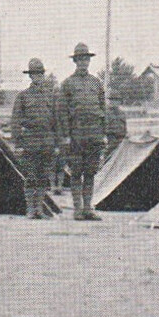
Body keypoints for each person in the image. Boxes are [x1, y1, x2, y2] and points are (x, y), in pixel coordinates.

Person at [60, 42, 107, 221]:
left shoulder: (96, 83)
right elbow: (62, 113)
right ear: (75, 61)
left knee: (90, 172)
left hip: (94, 134)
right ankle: (77, 209)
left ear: (89, 61)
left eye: (86, 59)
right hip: (76, 135)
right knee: (76, 172)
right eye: (80, 60)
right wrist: (65, 136)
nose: (83, 63)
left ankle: (88, 208)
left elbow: (103, 109)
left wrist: (103, 133)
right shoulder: (67, 84)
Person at [11, 58, 63, 218]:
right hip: (30, 141)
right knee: (30, 176)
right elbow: (16, 121)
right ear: (30, 76)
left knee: (43, 176)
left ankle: (39, 209)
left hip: (47, 141)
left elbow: (57, 121)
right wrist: (18, 144)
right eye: (34, 74)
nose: (37, 77)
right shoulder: (23, 96)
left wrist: (57, 144)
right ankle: (30, 209)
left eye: (40, 74)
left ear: (43, 75)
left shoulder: (51, 96)